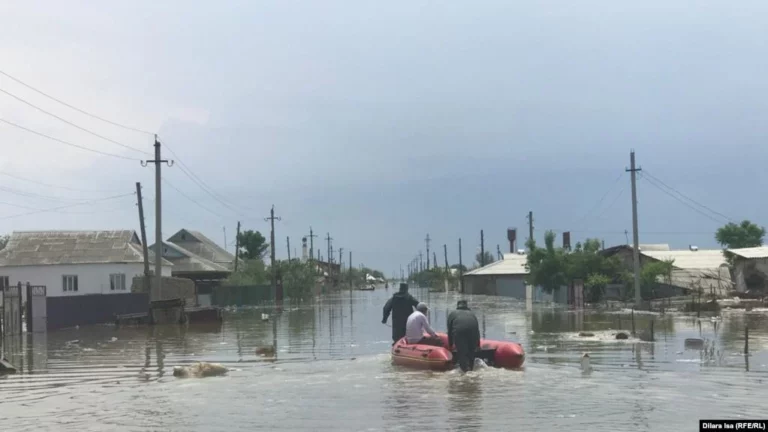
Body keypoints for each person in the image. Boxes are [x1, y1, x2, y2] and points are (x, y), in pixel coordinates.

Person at [447, 299, 481, 372]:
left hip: (460, 333)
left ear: (457, 306)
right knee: (471, 353)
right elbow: (477, 330)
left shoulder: (452, 314)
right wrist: (478, 344)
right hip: (473, 334)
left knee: (462, 354)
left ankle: (465, 374)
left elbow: (449, 331)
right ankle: (471, 371)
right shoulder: (472, 314)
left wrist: (450, 344)